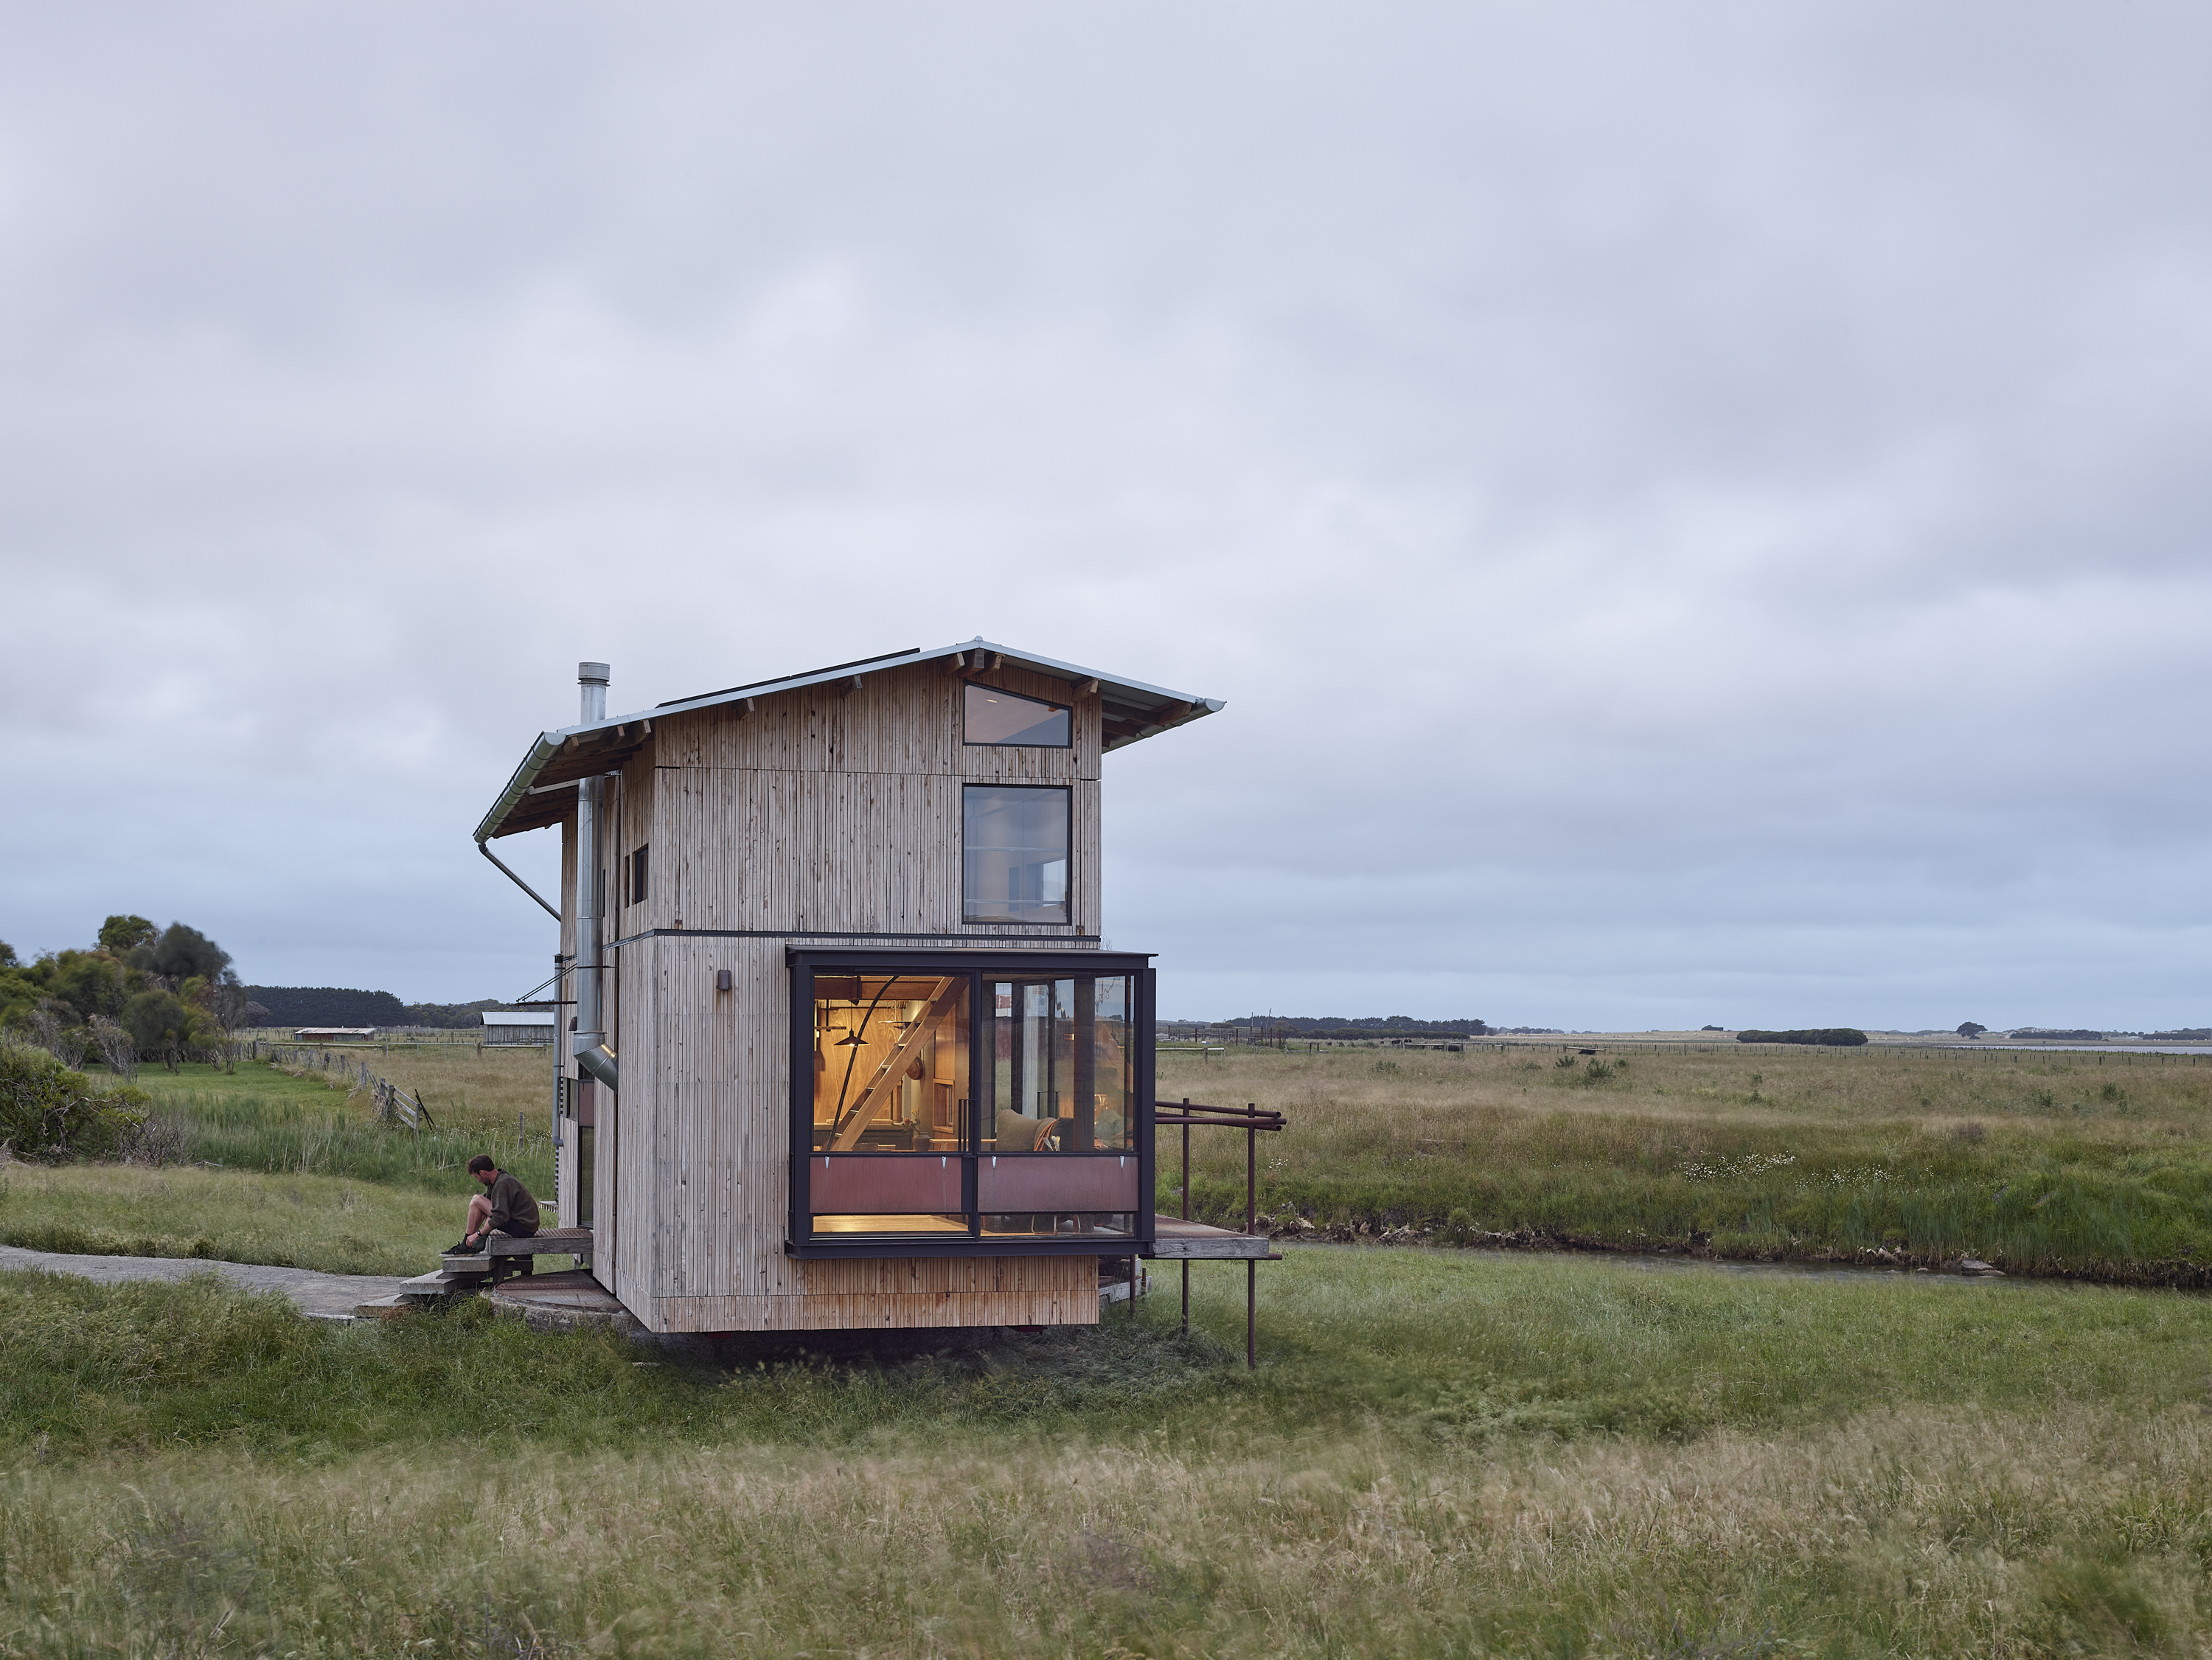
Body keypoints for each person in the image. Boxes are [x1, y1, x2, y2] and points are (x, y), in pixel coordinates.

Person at [449, 1154, 540, 1254]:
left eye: (477, 1177)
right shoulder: (497, 1180)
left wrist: (478, 1234)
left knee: (476, 1199)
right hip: (523, 1224)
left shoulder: (502, 1184)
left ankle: (467, 1244)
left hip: (524, 1228)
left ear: (482, 1172)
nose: (478, 1180)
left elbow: (500, 1218)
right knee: (480, 1202)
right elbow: (484, 1209)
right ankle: (467, 1244)